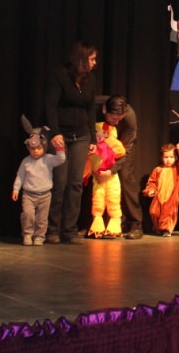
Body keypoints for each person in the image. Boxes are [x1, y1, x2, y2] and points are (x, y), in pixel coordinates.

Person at [46, 41, 98, 245]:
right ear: (81, 59)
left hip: (82, 136)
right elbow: (50, 106)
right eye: (92, 59)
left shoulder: (91, 80)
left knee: (76, 183)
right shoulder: (60, 75)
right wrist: (55, 133)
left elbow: (91, 110)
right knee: (59, 183)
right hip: (62, 135)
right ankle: (53, 229)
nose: (95, 63)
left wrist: (92, 138)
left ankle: (69, 230)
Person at [12, 117, 66, 246]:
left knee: (42, 218)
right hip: (28, 195)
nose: (36, 151)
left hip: (45, 195)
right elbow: (20, 176)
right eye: (33, 149)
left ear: (45, 147)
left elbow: (60, 160)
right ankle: (27, 234)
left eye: (39, 148)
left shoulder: (48, 159)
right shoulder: (26, 161)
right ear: (28, 148)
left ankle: (39, 236)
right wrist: (16, 189)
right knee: (28, 215)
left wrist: (60, 149)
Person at [102, 95, 144, 239]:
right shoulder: (94, 108)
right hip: (100, 143)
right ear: (104, 110)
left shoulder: (129, 117)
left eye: (120, 119)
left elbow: (126, 150)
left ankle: (135, 224)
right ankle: (96, 223)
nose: (116, 122)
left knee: (125, 176)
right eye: (113, 118)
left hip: (122, 146)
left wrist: (112, 170)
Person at [82, 122, 125, 238]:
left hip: (112, 177)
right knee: (98, 200)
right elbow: (89, 160)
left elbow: (121, 152)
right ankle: (97, 226)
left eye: (104, 132)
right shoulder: (93, 146)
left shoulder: (112, 143)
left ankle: (114, 227)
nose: (101, 134)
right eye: (98, 132)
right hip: (98, 177)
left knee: (113, 199)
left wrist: (109, 140)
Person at [142, 144, 179, 237]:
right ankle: (158, 228)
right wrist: (150, 190)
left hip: (171, 198)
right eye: (166, 157)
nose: (168, 160)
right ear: (161, 157)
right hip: (158, 196)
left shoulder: (177, 169)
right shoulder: (157, 170)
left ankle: (166, 229)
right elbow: (152, 182)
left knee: (168, 214)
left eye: (171, 157)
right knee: (154, 212)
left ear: (175, 158)